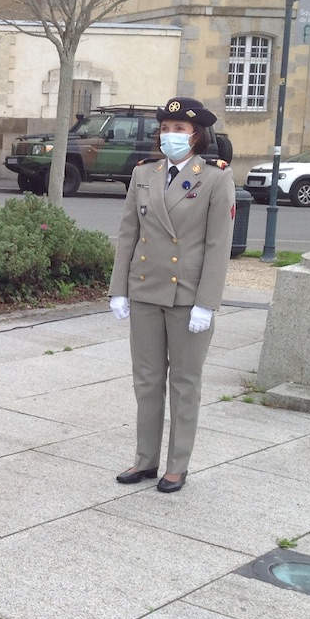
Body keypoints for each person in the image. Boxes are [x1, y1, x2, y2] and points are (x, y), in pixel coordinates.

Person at [109, 97, 235, 494]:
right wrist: (119, 290)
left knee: (184, 383)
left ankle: (177, 465)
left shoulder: (214, 178)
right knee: (146, 381)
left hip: (188, 297)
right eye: (165, 129)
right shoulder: (145, 174)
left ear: (196, 136)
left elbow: (218, 245)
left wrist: (207, 302)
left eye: (179, 130)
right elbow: (129, 233)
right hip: (146, 289)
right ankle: (145, 460)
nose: (170, 136)